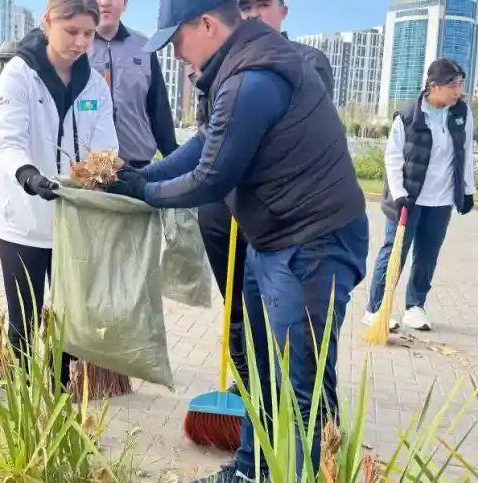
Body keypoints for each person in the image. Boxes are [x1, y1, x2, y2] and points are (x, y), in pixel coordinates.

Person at [107, 0, 368, 480]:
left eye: (178, 40)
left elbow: (210, 178)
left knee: (299, 388)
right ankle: (250, 470)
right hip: (271, 238)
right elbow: (202, 143)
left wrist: (144, 193)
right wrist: (142, 176)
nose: (177, 54)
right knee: (261, 369)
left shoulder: (253, 79)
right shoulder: (239, 66)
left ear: (207, 24)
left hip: (313, 243)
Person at [196, 0, 337, 397]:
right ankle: (249, 387)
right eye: (245, 6)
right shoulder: (218, 66)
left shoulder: (308, 62)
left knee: (290, 310)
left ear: (283, 10)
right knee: (237, 305)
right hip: (224, 211)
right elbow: (207, 137)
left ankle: (304, 403)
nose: (253, 14)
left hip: (282, 214)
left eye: (263, 4)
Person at [0, 0, 117, 390]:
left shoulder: (95, 85)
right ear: (48, 23)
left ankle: (61, 402)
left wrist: (106, 175)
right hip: (23, 220)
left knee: (69, 325)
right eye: (71, 31)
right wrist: (29, 176)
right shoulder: (19, 75)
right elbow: (9, 142)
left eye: (89, 34)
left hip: (73, 225)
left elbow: (104, 148)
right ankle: (23, 408)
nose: (80, 42)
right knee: (24, 324)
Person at [362, 59, 475, 332]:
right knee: (394, 253)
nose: (458, 91)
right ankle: (375, 310)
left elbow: (466, 153)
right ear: (434, 85)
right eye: (453, 85)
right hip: (409, 198)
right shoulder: (408, 116)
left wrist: (468, 190)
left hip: (441, 200)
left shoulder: (461, 113)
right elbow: (393, 158)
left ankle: (415, 307)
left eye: (460, 85)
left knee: (427, 255)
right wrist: (400, 194)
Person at [89, 0, 178, 167]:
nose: (105, 2)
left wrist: (172, 157)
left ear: (125, 4)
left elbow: (158, 107)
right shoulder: (77, 46)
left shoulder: (144, 47)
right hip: (90, 165)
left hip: (137, 165)